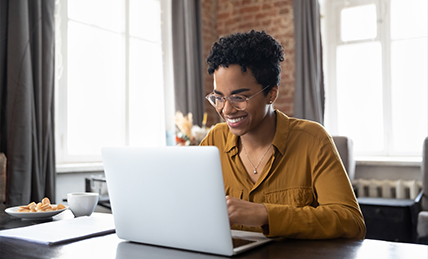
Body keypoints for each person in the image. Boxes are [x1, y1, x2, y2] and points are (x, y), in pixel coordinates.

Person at [200, 30, 366, 239]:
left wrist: (265, 214)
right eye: (218, 98)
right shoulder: (213, 141)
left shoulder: (313, 140)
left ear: (272, 93)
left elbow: (351, 222)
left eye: (239, 97)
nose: (226, 110)